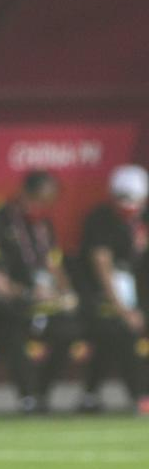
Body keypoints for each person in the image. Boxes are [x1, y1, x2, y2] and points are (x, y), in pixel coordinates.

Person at [0, 171, 82, 413]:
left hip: (42, 303)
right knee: (11, 329)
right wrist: (26, 292)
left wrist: (66, 293)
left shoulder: (42, 224)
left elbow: (53, 263)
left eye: (48, 201)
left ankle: (41, 392)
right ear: (25, 194)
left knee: (71, 330)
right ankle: (28, 396)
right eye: (39, 200)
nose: (43, 206)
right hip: (7, 305)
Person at [76, 164, 149, 414]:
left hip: (138, 294)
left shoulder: (143, 219)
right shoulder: (102, 219)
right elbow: (103, 267)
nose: (128, 205)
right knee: (118, 330)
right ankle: (140, 394)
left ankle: (90, 395)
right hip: (101, 297)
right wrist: (124, 310)